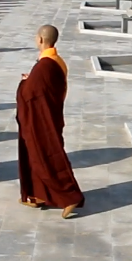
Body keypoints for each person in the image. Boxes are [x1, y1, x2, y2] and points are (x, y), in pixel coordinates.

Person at [16, 25, 84, 218]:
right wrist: (32, 80)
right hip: (49, 115)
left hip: (42, 121)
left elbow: (30, 93)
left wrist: (24, 84)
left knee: (47, 155)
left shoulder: (45, 65)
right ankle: (39, 194)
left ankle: (71, 196)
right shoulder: (56, 60)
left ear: (40, 40)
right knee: (37, 155)